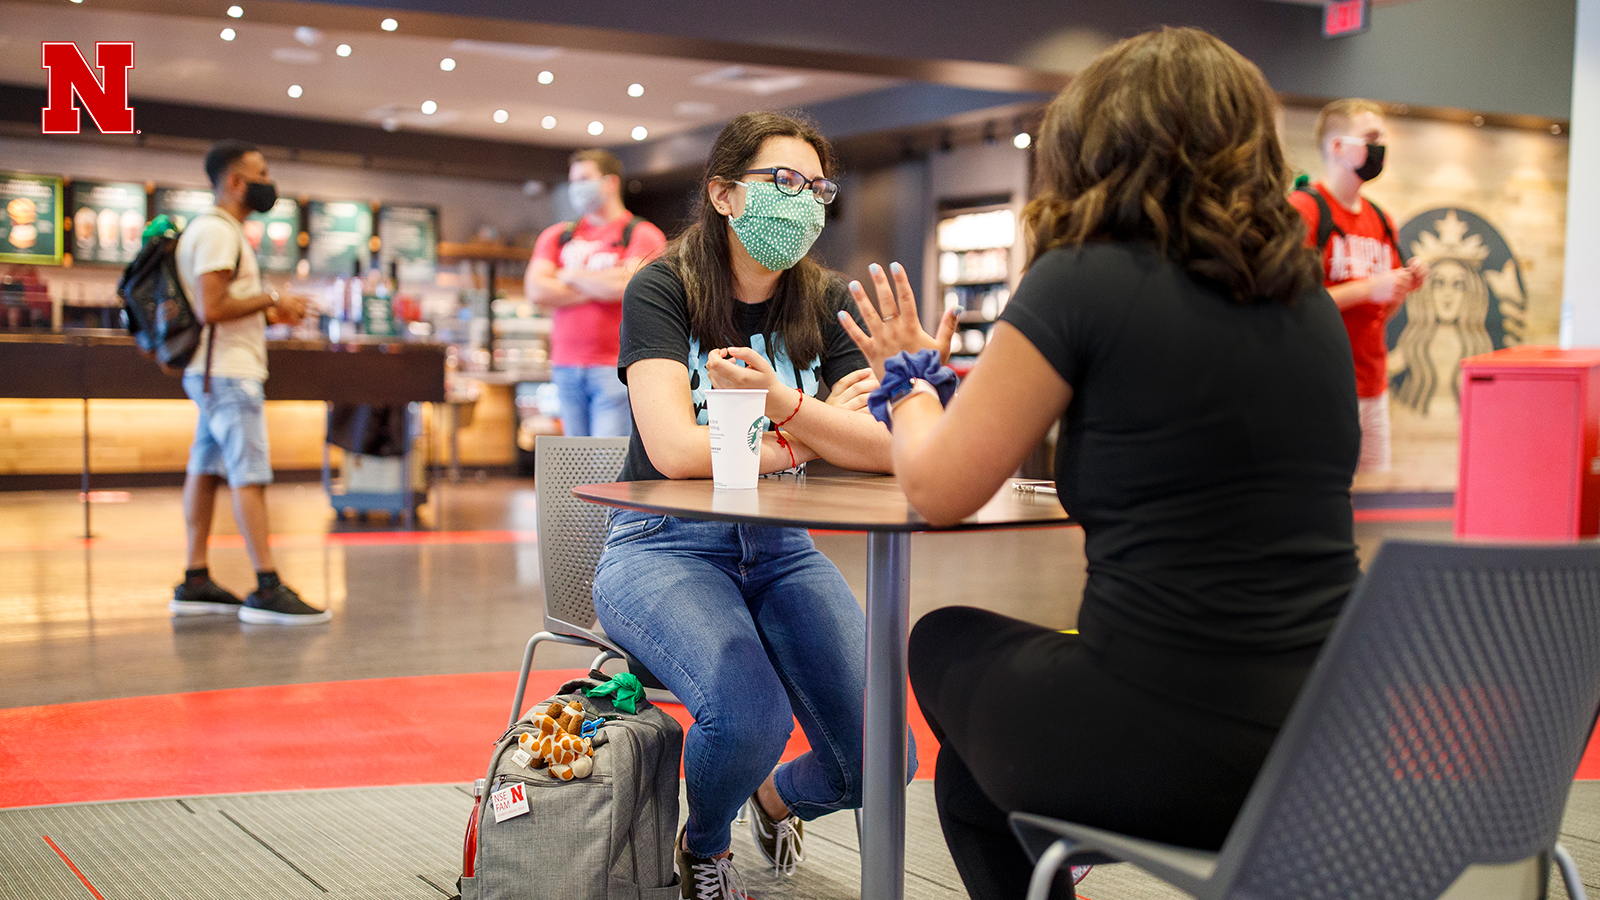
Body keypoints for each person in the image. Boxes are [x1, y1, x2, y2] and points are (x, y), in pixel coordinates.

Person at [836, 28, 1363, 900]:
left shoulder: (1081, 281)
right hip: (1331, 743)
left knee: (942, 639)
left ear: (1097, 143)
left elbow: (936, 488)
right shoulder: (1308, 302)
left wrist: (907, 375)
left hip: (1173, 749)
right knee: (973, 777)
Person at [590, 111, 932, 900]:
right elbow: (674, 452)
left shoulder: (828, 298)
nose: (804, 201)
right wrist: (813, 428)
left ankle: (773, 800)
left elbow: (894, 447)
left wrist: (781, 404)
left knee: (885, 757)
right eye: (782, 182)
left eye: (817, 187)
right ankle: (704, 844)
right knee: (748, 718)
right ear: (723, 194)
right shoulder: (663, 287)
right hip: (661, 545)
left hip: (781, 551)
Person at [168, 140, 329, 626]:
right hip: (230, 375)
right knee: (249, 473)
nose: (267, 181)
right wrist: (271, 297)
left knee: (207, 468)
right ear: (235, 181)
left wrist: (270, 312)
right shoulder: (220, 233)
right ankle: (267, 585)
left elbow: (221, 309)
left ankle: (195, 579)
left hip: (214, 370)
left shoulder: (214, 230)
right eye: (260, 173)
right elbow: (211, 308)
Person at [1288, 98, 1427, 474]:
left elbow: (1382, 313)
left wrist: (1402, 287)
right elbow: (1293, 305)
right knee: (1319, 498)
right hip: (1315, 388)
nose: (1380, 148)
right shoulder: (1305, 208)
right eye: (1371, 137)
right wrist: (1369, 288)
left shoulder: (1382, 219)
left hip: (1372, 386)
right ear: (1337, 147)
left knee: (1369, 506)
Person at [525, 149, 667, 437]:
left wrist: (570, 275)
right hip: (565, 366)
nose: (576, 187)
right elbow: (535, 289)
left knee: (606, 467)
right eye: (573, 180)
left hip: (613, 367)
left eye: (584, 178)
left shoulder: (642, 234)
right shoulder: (557, 236)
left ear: (610, 182)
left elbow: (628, 287)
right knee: (575, 467)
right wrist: (602, 284)